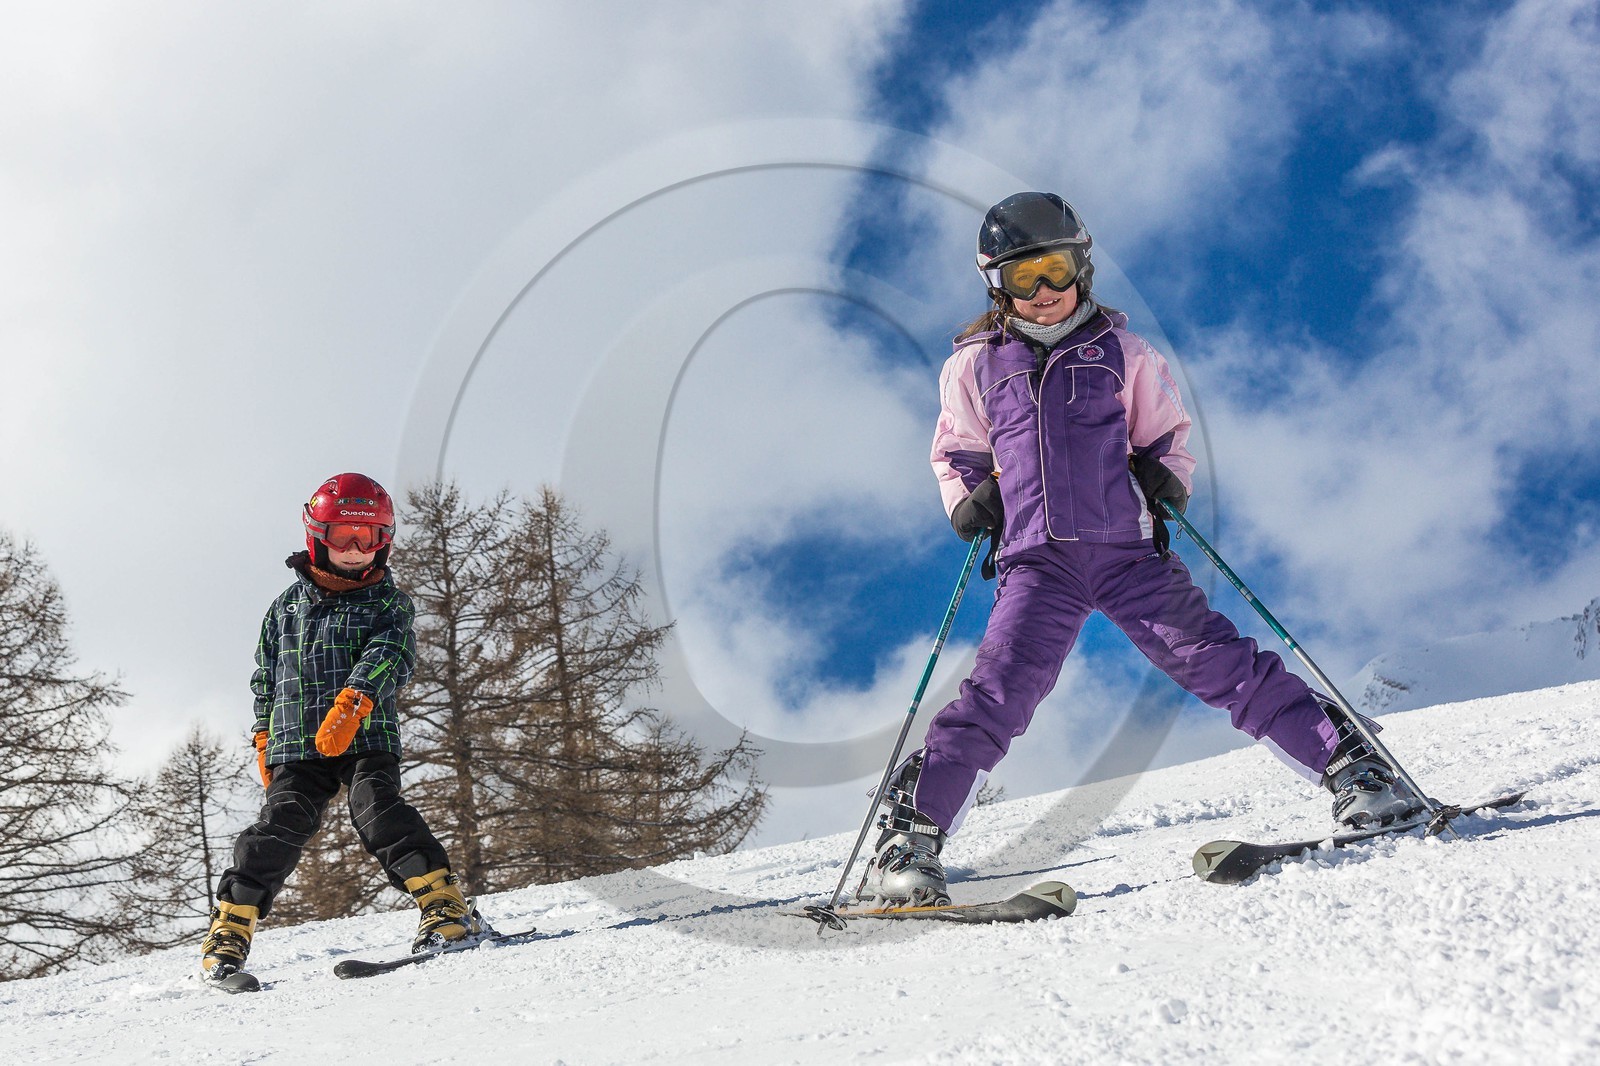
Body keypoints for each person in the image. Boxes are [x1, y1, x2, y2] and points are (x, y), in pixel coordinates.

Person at [855, 193, 1420, 908]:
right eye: (1023, 278)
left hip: (1128, 554)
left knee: (1223, 664)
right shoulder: (975, 366)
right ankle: (909, 839)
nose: (1045, 292)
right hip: (1038, 563)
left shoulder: (1123, 353)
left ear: (1082, 268)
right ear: (996, 285)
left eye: (1056, 270)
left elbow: (1167, 435)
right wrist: (970, 500)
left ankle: (1355, 771)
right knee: (996, 695)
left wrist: (1166, 477)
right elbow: (957, 450)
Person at [200, 473, 480, 983]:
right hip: (296, 742)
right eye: (343, 537)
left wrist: (356, 700)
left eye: (368, 538)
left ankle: (445, 907)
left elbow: (392, 653)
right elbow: (266, 672)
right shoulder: (284, 607)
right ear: (316, 536)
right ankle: (229, 930)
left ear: (384, 542)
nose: (355, 551)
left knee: (376, 807)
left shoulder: (388, 604)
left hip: (365, 733)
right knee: (278, 826)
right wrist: (264, 732)